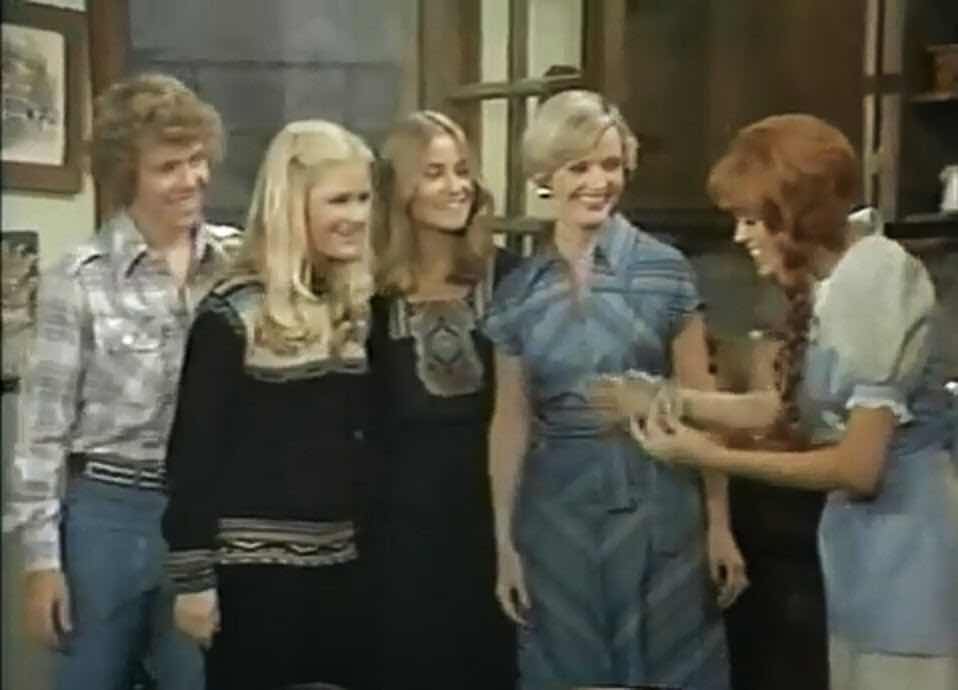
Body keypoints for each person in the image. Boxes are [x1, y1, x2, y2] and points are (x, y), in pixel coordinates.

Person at [625, 113, 958, 690]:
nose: (740, 236)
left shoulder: (876, 280)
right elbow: (782, 409)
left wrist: (707, 455)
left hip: (911, 559)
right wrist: (670, 399)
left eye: (752, 219)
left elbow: (858, 468)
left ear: (799, 215)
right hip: (865, 558)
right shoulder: (836, 283)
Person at [482, 89, 744, 690]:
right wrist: (504, 543)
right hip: (556, 518)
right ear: (545, 176)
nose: (598, 182)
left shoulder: (665, 270)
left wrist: (719, 522)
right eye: (579, 167)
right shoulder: (519, 291)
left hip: (660, 506)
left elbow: (702, 404)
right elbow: (510, 421)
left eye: (611, 165)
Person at [3, 73, 237, 690]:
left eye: (197, 160)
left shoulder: (238, 265)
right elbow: (41, 435)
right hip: (108, 515)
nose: (191, 179)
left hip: (207, 514)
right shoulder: (77, 278)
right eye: (168, 167)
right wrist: (41, 564)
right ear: (126, 175)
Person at [161, 120, 377, 690]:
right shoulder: (231, 315)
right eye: (339, 200)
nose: (357, 215)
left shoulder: (353, 306)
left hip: (343, 570)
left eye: (363, 198)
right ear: (291, 205)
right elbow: (192, 458)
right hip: (252, 580)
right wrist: (193, 581)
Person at [367, 110, 518, 689]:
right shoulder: (368, 294)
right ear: (398, 188)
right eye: (434, 173)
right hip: (396, 535)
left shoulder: (511, 280)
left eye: (461, 170)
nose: (456, 186)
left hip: (493, 522)